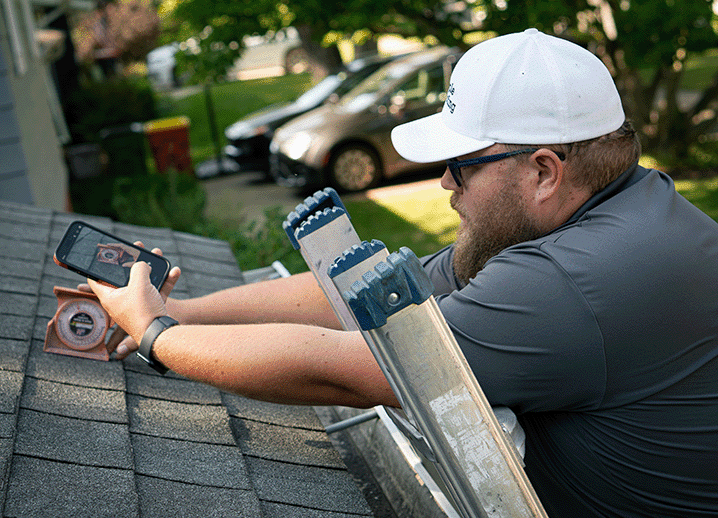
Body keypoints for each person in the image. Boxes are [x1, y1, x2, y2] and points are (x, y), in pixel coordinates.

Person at [86, 29, 718, 517]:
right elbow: (358, 296)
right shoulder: (630, 204)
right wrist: (183, 311)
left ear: (545, 171)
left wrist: (157, 336)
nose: (443, 181)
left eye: (461, 164)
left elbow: (347, 368)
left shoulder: (572, 284)